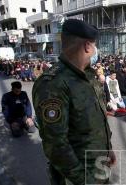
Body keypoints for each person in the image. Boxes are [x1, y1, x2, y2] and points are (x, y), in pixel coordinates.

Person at [32, 19, 115, 185]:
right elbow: (56, 145)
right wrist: (85, 180)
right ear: (87, 46)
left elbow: (98, 120)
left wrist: (108, 149)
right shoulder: (53, 84)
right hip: (78, 177)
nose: (95, 51)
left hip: (99, 165)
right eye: (94, 45)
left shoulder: (89, 76)